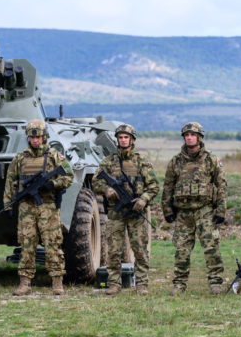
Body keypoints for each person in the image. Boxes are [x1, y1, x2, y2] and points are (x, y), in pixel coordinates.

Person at [2, 118, 73, 296]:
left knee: (52, 243)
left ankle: (57, 282)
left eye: (38, 137)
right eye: (32, 137)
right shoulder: (20, 159)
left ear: (44, 137)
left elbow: (69, 176)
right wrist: (8, 204)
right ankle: (25, 283)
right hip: (26, 207)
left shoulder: (54, 156)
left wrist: (53, 184)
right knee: (27, 244)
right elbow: (10, 181)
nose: (35, 140)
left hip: (47, 206)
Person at [91, 123, 160, 295]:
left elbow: (154, 186)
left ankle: (142, 284)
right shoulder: (108, 162)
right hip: (116, 213)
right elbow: (96, 181)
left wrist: (143, 199)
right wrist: (106, 190)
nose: (123, 140)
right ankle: (114, 283)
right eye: (120, 137)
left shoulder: (142, 162)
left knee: (140, 249)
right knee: (113, 249)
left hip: (136, 213)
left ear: (132, 139)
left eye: (126, 137)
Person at [161, 122, 226, 294]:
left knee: (211, 248)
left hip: (205, 210)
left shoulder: (211, 160)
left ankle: (215, 282)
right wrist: (167, 210)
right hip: (183, 213)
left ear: (199, 137)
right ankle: (179, 284)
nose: (189, 138)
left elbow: (221, 186)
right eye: (186, 135)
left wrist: (221, 210)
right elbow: (168, 187)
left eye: (192, 135)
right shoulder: (176, 161)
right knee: (181, 249)